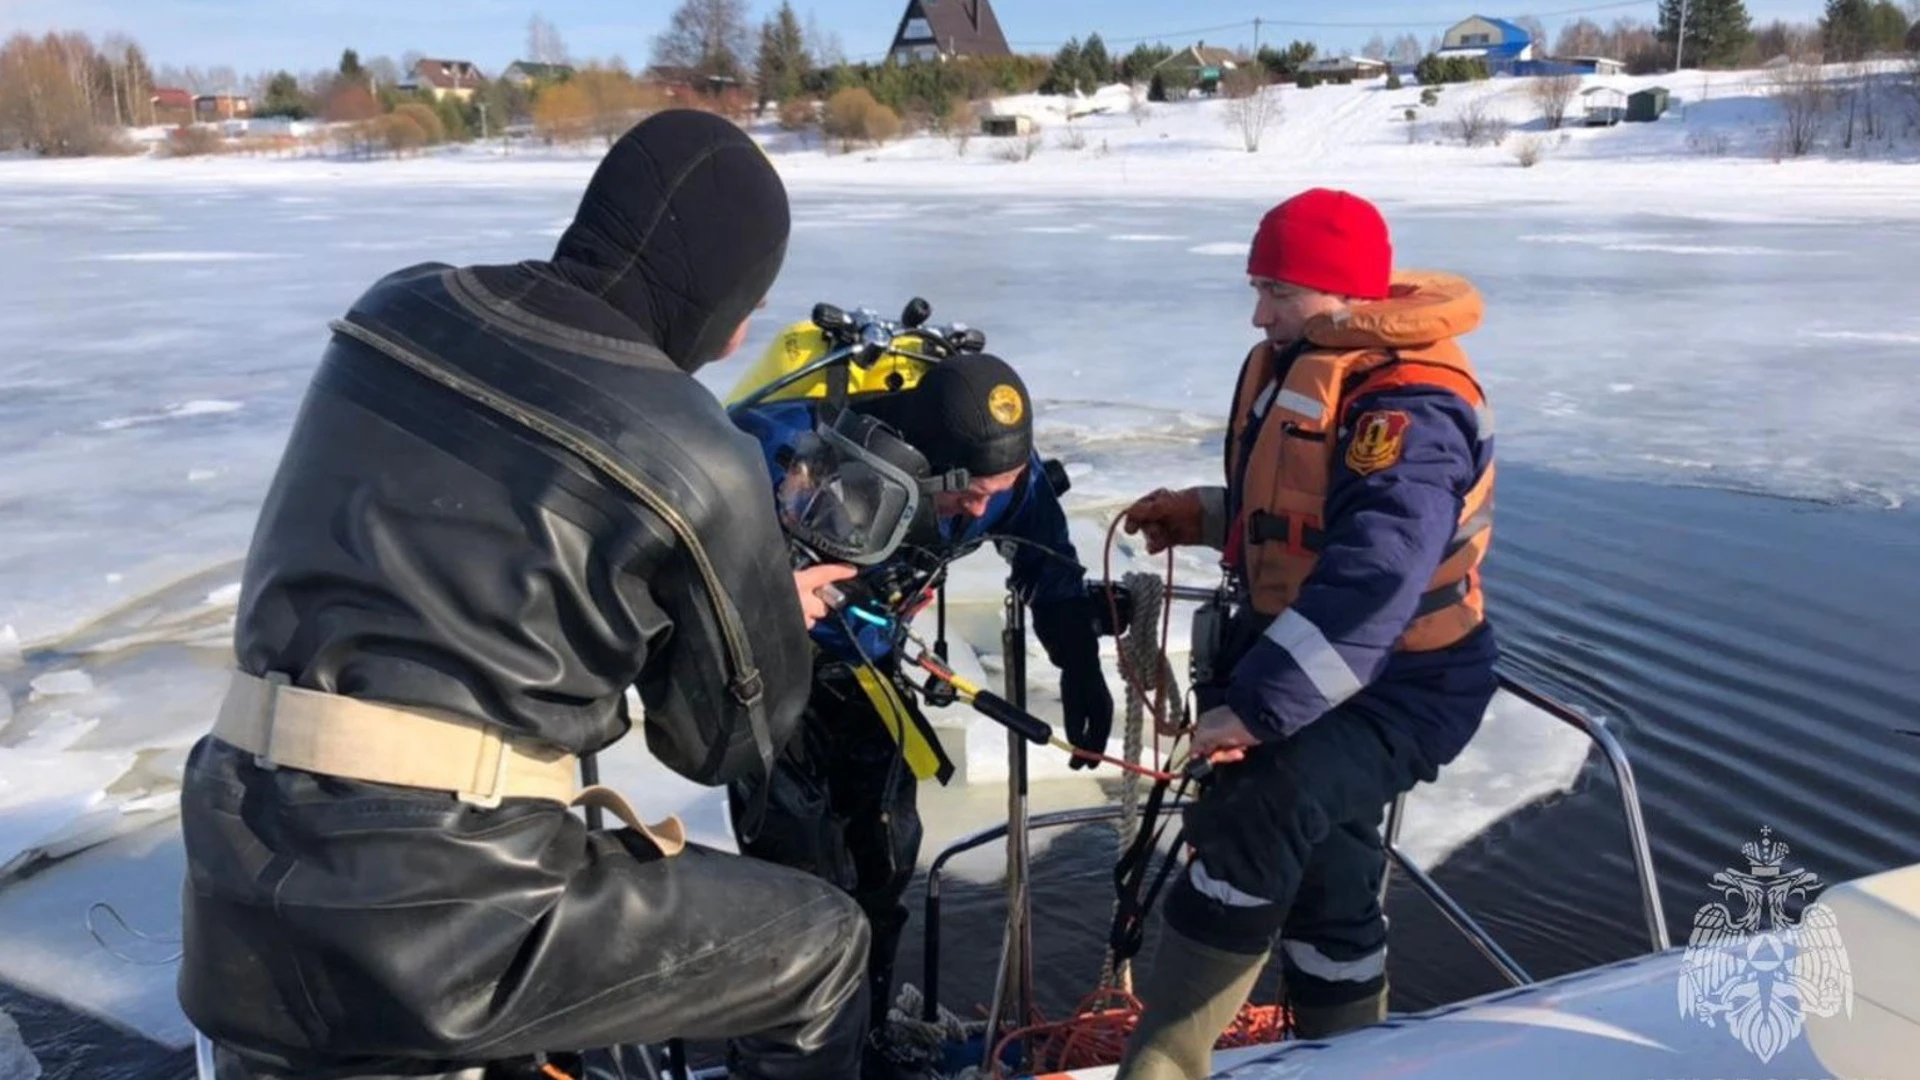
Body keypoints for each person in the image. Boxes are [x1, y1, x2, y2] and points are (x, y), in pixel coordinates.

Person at [176, 110, 875, 1080]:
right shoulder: (695, 452)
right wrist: (755, 607)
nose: (750, 329)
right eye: (751, 299)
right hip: (446, 924)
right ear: (725, 296)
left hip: (235, 871)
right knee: (824, 949)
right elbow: (722, 746)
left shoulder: (395, 309)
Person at [1113, 188, 1499, 1077]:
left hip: (1407, 683)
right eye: (1258, 288)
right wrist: (1206, 515)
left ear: (1342, 293)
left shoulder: (1409, 410)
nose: (1260, 313)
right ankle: (1348, 1055)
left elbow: (1376, 576)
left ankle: (1161, 1065)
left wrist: (1257, 710)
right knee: (1330, 870)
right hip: (1318, 659)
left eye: (1278, 292)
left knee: (1260, 809)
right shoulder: (1304, 359)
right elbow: (1304, 517)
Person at [726, 353, 1116, 1073]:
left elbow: (1047, 559)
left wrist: (1080, 666)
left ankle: (862, 1039)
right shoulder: (778, 446)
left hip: (869, 675)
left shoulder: (1002, 484)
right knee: (795, 887)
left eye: (993, 493)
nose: (978, 509)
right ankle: (782, 1064)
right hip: (768, 684)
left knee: (883, 863)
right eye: (962, 493)